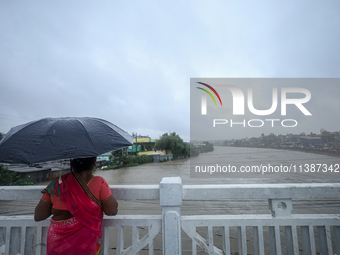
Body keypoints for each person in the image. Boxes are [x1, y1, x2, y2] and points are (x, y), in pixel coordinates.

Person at [34, 157, 118, 255]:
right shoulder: (99, 182)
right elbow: (112, 211)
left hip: (58, 246)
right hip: (86, 244)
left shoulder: (56, 184)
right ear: (94, 164)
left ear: (71, 163)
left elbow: (39, 215)